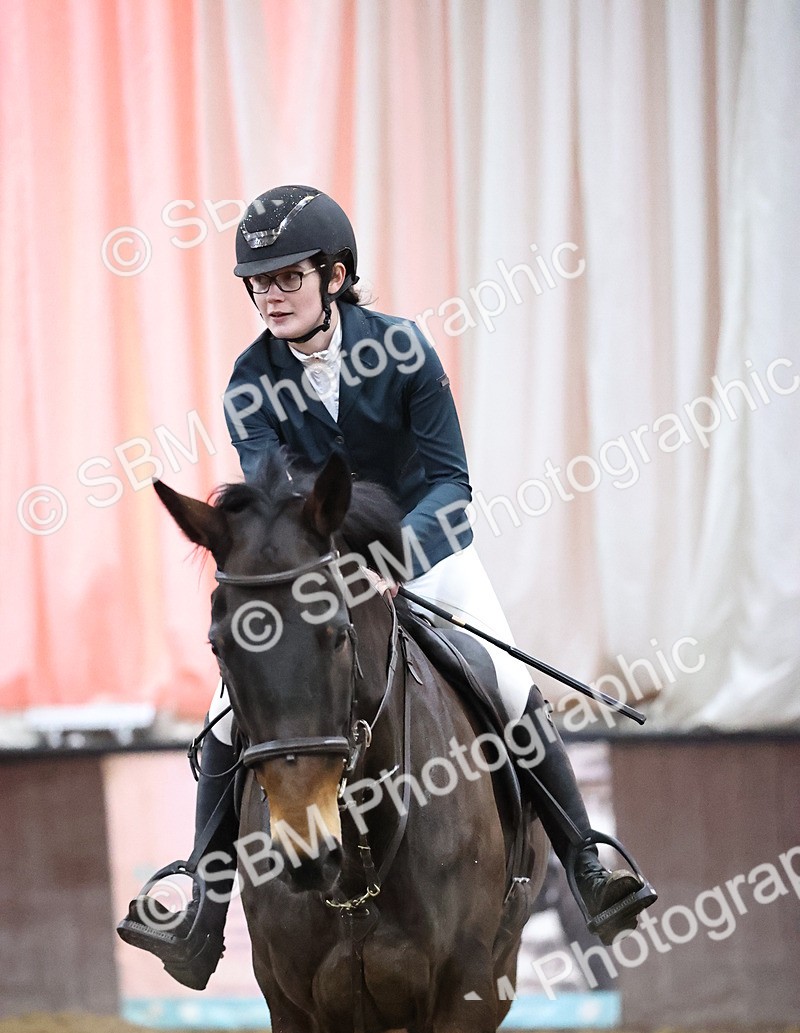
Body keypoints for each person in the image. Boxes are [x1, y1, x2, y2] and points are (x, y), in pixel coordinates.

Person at [118, 185, 654, 989]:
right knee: (228, 713)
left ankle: (586, 860)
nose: (270, 293)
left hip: (425, 553)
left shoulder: (403, 350)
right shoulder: (247, 380)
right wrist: (332, 564)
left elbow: (450, 483)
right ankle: (203, 900)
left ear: (335, 275)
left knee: (507, 683)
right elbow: (280, 500)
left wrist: (392, 556)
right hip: (318, 575)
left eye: (287, 276)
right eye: (258, 282)